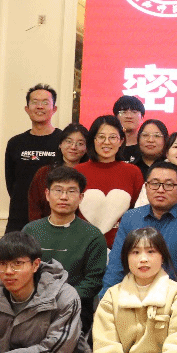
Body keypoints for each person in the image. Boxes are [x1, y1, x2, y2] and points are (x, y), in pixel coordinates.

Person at [101, 161, 177, 336]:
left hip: (175, 305)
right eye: (154, 184)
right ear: (146, 187)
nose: (160, 190)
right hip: (133, 303)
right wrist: (106, 305)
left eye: (169, 185)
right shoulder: (131, 218)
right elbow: (116, 266)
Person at [23, 166, 107, 337]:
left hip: (74, 308)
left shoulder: (93, 236)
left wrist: (60, 299)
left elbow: (93, 282)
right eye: (58, 190)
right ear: (47, 194)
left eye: (71, 191)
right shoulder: (30, 231)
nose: (63, 197)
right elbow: (22, 271)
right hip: (32, 304)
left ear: (81, 197)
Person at [76, 115, 144, 247]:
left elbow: (139, 212)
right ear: (93, 140)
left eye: (113, 137)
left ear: (121, 141)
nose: (106, 142)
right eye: (101, 137)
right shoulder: (78, 171)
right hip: (82, 245)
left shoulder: (133, 172)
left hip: (122, 246)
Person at [4, 84, 60, 233]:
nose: (39, 106)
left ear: (54, 109)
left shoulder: (63, 141)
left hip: (55, 218)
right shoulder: (15, 143)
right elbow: (11, 184)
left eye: (45, 102)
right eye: (35, 102)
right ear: (27, 109)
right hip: (19, 218)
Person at [26, 121, 89, 223]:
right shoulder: (43, 173)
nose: (73, 147)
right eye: (69, 141)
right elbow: (34, 208)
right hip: (46, 230)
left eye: (80, 143)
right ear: (60, 144)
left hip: (82, 230)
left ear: (86, 148)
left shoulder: (90, 174)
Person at [113, 95, 146, 164]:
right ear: (115, 117)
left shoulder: (147, 146)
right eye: (123, 112)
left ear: (142, 118)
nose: (129, 116)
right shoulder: (109, 145)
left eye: (134, 112)